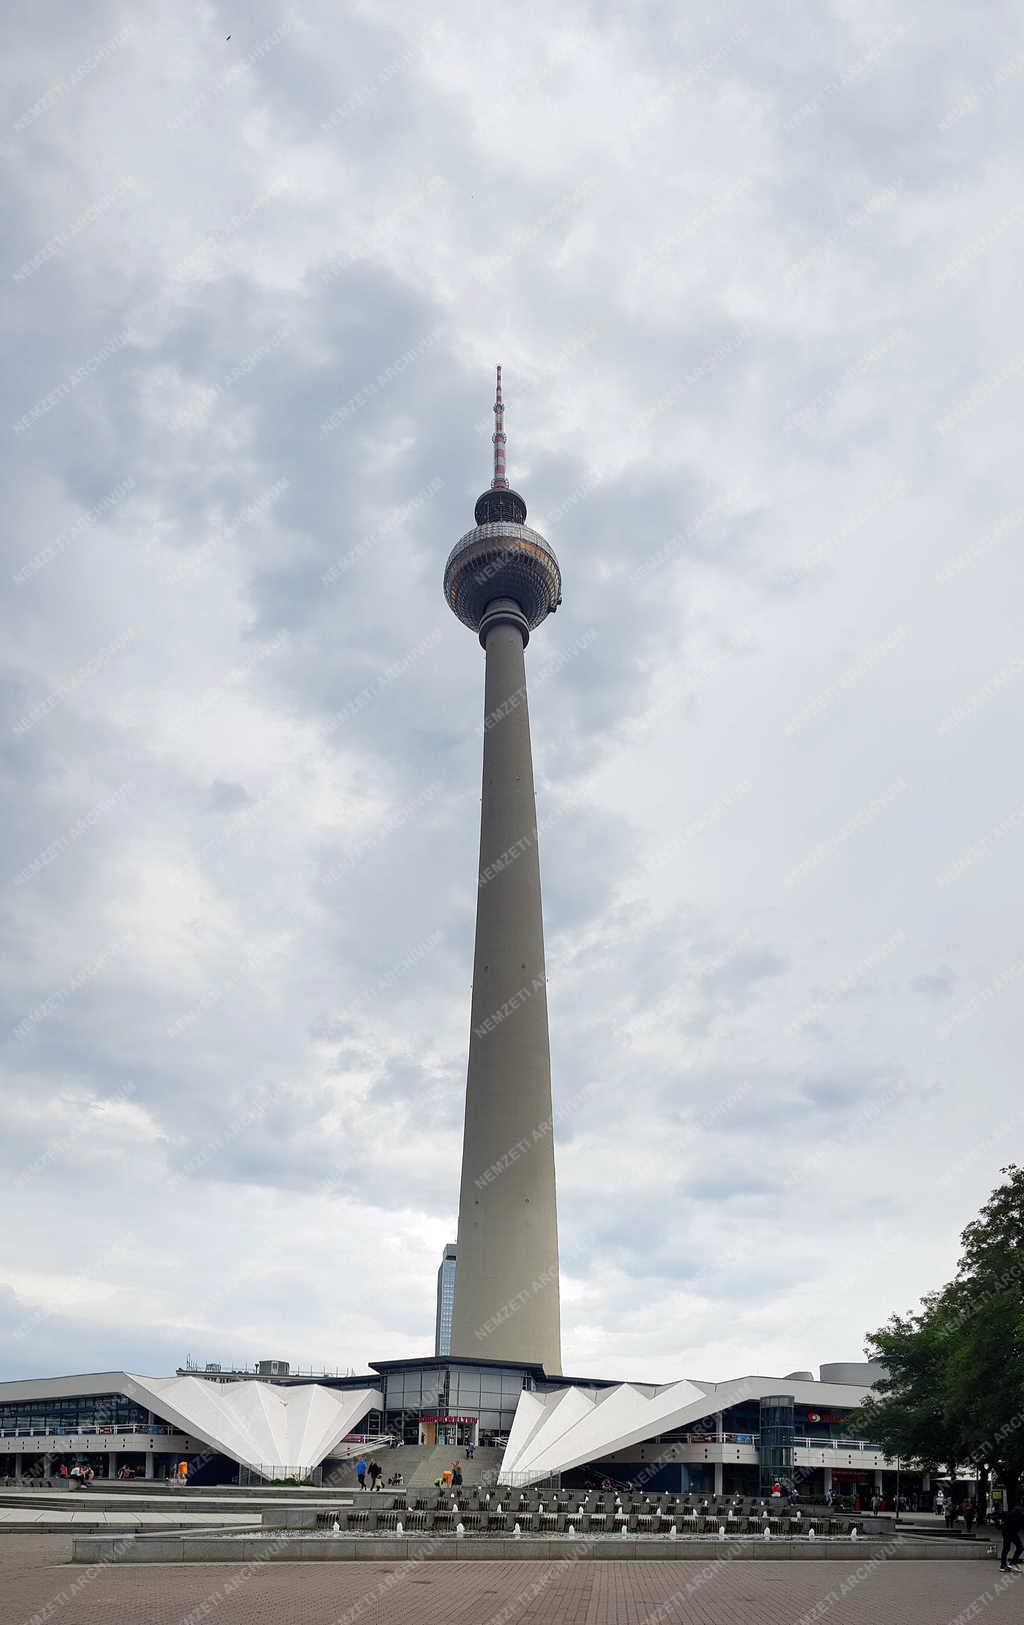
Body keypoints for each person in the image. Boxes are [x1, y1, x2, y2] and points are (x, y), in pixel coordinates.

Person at [1000, 1502, 1024, 1571]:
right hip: (1011, 1532)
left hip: (1006, 1531)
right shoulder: (1020, 1514)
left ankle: (1003, 1565)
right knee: (1020, 1547)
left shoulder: (1013, 1512)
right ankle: (1012, 1563)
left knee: (1006, 1548)